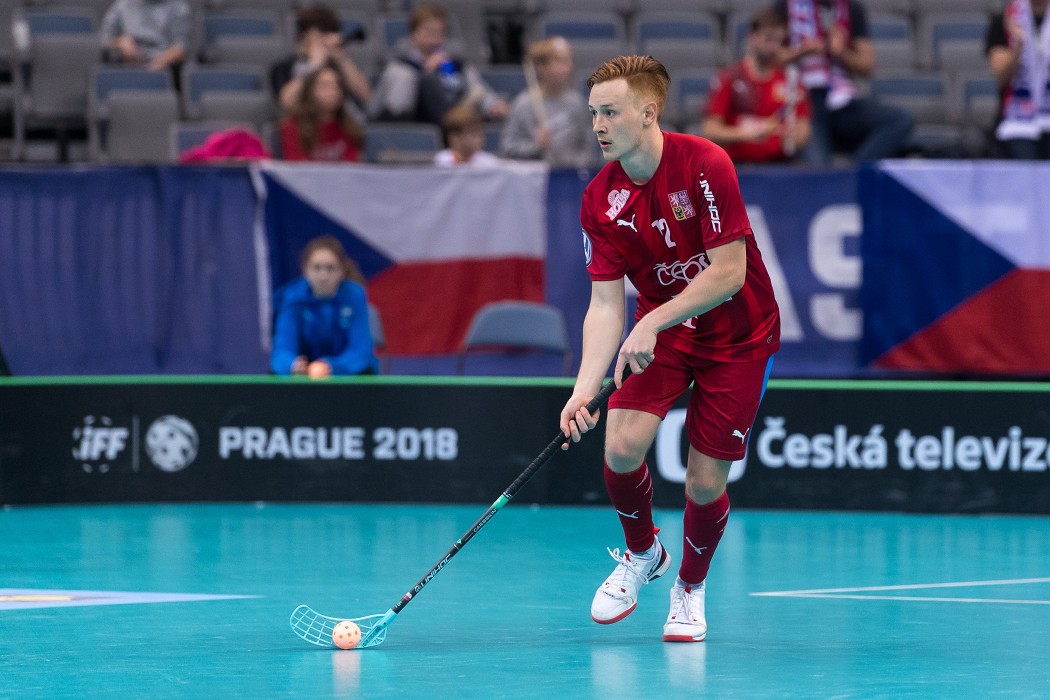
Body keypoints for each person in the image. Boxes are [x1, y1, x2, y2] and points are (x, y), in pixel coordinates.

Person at [559, 56, 780, 643]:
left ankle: (689, 588)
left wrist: (651, 319)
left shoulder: (705, 163)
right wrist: (584, 389)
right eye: (593, 114)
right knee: (622, 445)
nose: (599, 125)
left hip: (739, 334)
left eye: (610, 112)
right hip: (667, 331)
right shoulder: (598, 199)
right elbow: (604, 305)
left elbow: (729, 273)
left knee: (705, 483)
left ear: (647, 112)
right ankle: (642, 554)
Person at [775, 0, 914, 165]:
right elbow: (770, 57)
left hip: (842, 99)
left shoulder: (851, 8)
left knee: (899, 120)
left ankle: (855, 173)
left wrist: (842, 52)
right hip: (805, 100)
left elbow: (867, 67)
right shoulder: (785, 6)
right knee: (817, 166)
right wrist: (803, 51)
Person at [367, 3, 508, 126]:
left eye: (440, 32)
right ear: (414, 34)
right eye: (429, 31)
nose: (435, 38)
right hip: (418, 122)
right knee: (426, 80)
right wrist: (426, 72)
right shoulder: (400, 67)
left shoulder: (455, 64)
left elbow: (478, 89)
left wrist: (493, 105)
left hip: (456, 115)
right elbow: (387, 109)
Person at [703, 9, 811, 164]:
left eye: (779, 41)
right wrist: (747, 134)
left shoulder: (791, 80)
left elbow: (803, 126)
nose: (774, 47)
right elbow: (710, 130)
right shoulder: (729, 78)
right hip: (738, 166)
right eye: (769, 39)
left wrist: (797, 136)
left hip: (780, 164)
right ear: (752, 37)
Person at [271, 236, 379, 378]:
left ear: (341, 271)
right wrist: (292, 365)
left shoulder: (355, 296)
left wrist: (331, 366)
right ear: (305, 270)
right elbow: (282, 349)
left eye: (330, 268)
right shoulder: (292, 298)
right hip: (304, 376)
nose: (323, 275)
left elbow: (361, 351)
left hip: (346, 376)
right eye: (317, 268)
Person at [500, 36, 596, 168]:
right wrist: (535, 146)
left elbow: (587, 147)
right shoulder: (523, 104)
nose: (568, 68)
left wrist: (573, 166)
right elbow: (508, 147)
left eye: (568, 61)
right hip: (535, 180)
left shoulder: (577, 103)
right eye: (560, 62)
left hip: (569, 178)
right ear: (540, 67)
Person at [270, 4, 371, 122]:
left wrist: (342, 59)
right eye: (322, 33)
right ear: (304, 35)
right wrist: (315, 64)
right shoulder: (282, 67)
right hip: (304, 129)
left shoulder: (337, 65)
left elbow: (366, 97)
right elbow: (287, 102)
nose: (327, 40)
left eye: (331, 33)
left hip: (341, 129)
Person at [986, 0, 1050, 159]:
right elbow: (1002, 78)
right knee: (1024, 161)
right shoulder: (1005, 19)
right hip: (1016, 121)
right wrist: (1018, 45)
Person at [280, 63, 364, 162]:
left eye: (336, 86)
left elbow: (352, 165)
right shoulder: (293, 126)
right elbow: (297, 168)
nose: (333, 91)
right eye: (325, 86)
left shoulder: (348, 126)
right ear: (310, 91)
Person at [99, 0, 190, 75]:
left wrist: (152, 68)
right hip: (127, 62)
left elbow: (180, 49)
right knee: (110, 56)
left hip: (163, 65)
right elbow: (104, 38)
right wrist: (121, 42)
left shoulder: (178, 7)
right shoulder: (122, 5)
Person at [434, 103, 501, 167]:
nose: (480, 139)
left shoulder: (490, 163)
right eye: (474, 135)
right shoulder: (441, 161)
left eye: (481, 135)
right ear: (455, 138)